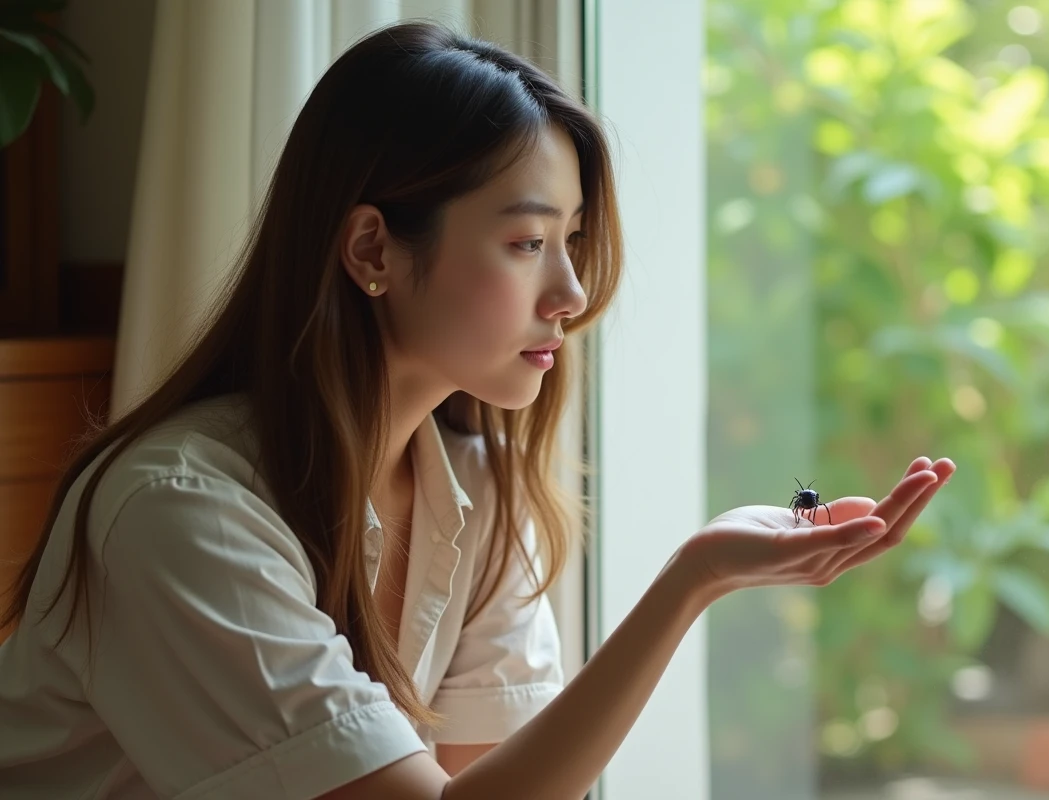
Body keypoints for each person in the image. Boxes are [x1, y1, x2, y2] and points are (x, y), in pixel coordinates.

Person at [0, 20, 954, 800]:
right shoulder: (181, 515)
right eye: (528, 242)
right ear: (372, 249)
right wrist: (689, 584)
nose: (573, 291)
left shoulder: (478, 497)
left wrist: (700, 575)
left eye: (573, 240)